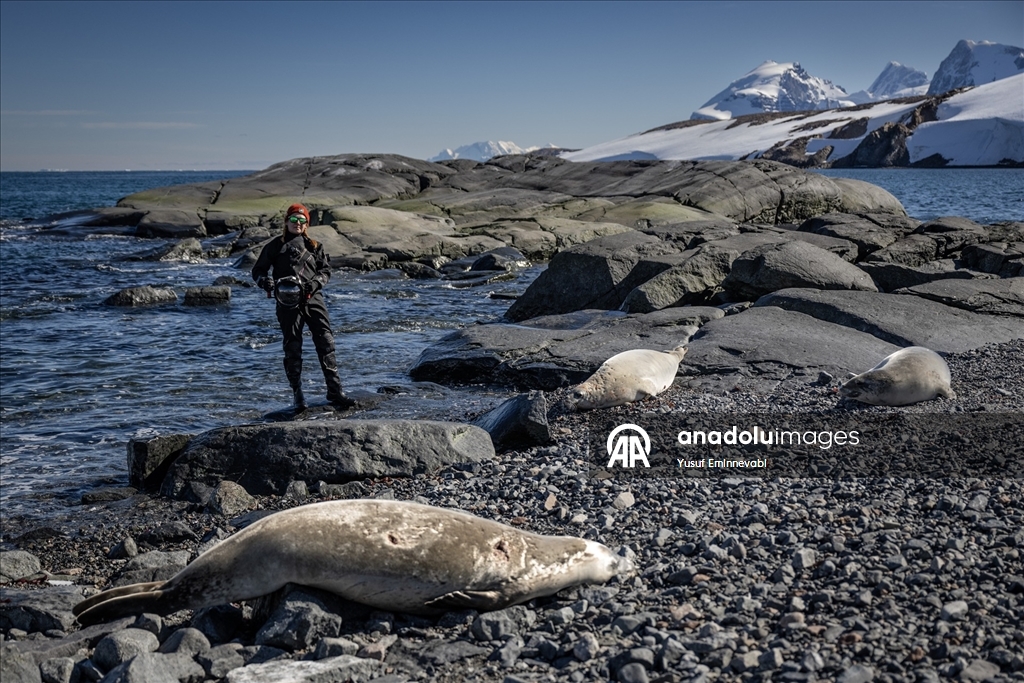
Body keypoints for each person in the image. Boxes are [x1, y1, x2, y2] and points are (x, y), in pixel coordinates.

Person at [252, 203, 354, 410]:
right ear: (286, 221)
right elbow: (258, 271)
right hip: (287, 302)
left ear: (306, 224)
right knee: (292, 346)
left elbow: (326, 271)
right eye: (294, 220)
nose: (297, 224)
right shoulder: (274, 246)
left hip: (313, 299)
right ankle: (298, 395)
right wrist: (265, 282)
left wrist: (315, 283)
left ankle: (334, 391)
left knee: (326, 341)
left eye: (302, 221)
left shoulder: (315, 246)